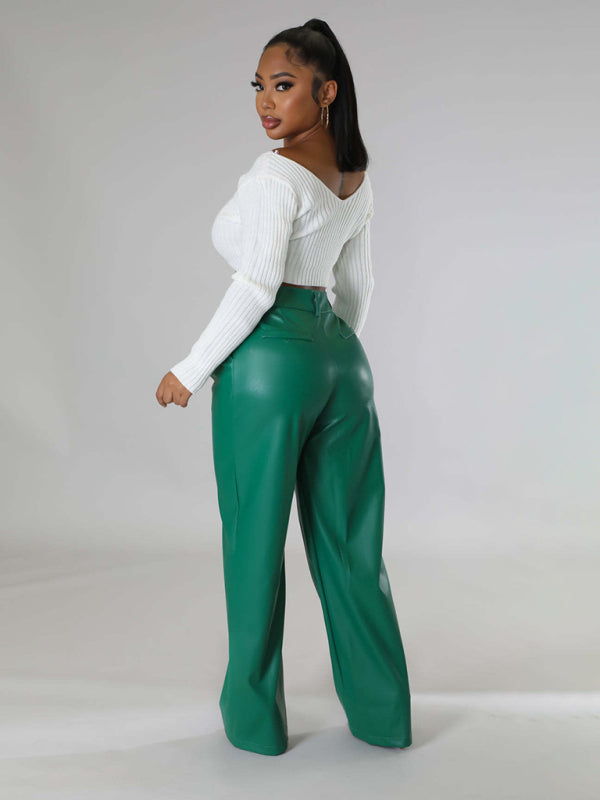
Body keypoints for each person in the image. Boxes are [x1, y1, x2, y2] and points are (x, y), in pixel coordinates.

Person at [155, 19, 412, 757]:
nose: (266, 102)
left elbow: (257, 283)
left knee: (254, 544)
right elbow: (358, 286)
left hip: (269, 361)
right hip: (342, 361)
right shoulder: (355, 176)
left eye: (284, 85)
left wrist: (190, 369)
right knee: (353, 548)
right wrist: (332, 354)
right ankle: (383, 716)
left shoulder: (274, 175)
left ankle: (255, 725)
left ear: (326, 92)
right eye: (260, 87)